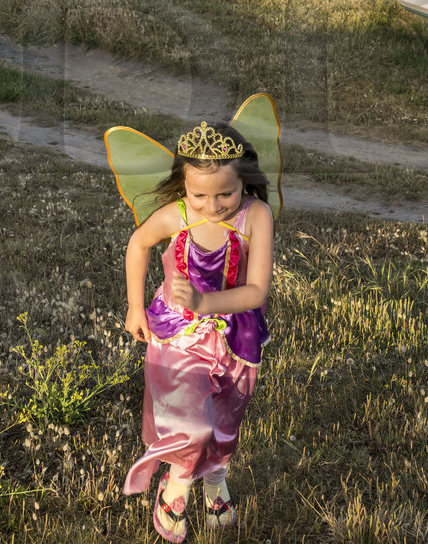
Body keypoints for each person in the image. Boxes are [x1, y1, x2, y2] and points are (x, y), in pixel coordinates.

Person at [122, 120, 274, 542]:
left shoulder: (255, 215)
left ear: (245, 180)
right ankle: (176, 488)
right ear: (183, 186)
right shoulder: (177, 215)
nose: (213, 205)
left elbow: (257, 289)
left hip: (235, 336)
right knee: (190, 423)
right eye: (199, 194)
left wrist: (206, 303)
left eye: (225, 193)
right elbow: (139, 243)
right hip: (179, 334)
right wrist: (136, 306)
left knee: (225, 420)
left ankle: (215, 480)